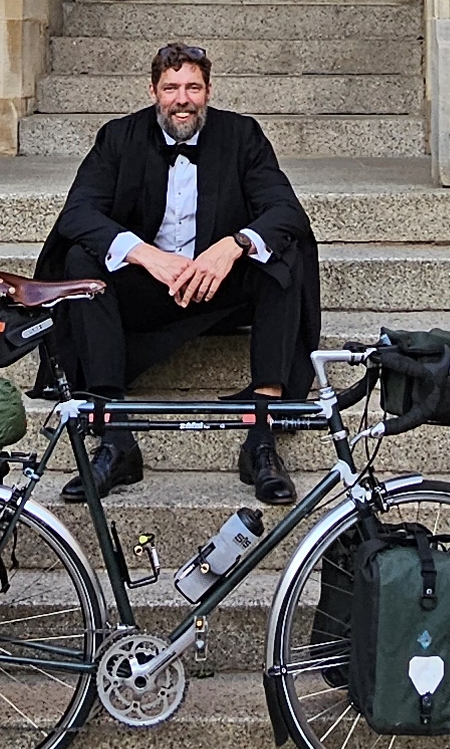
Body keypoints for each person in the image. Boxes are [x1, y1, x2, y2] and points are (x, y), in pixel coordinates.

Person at [37, 41, 323, 506]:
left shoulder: (242, 135)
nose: (182, 98)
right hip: (148, 286)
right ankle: (115, 437)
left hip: (217, 286)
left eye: (193, 86)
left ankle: (262, 432)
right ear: (153, 91)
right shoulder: (118, 137)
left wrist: (233, 246)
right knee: (81, 260)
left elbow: (285, 210)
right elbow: (78, 214)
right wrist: (145, 255)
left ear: (208, 91)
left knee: (283, 255)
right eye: (171, 88)